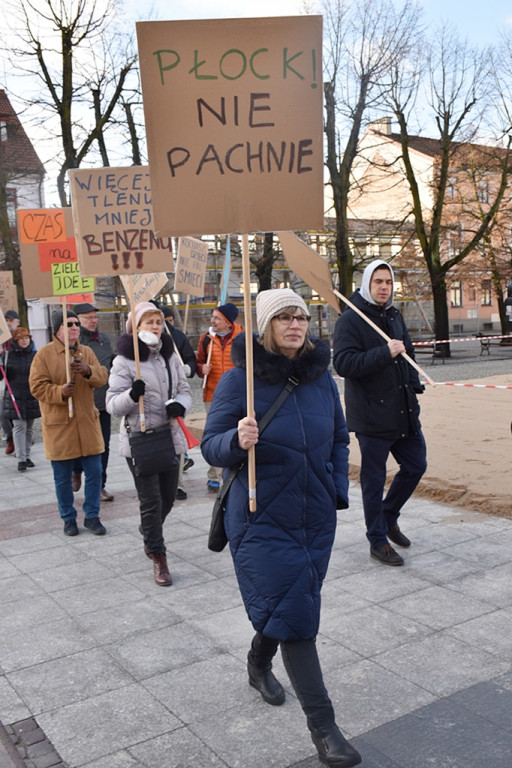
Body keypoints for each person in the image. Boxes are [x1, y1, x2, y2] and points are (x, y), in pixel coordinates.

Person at [201, 288, 361, 768]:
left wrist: (336, 488)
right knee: (296, 617)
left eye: (301, 317)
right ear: (266, 325)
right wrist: (237, 439)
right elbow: (210, 446)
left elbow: (337, 436)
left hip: (314, 516)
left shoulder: (320, 380)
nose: (295, 325)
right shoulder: (240, 381)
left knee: (290, 605)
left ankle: (257, 662)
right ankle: (325, 729)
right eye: (284, 318)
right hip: (259, 517)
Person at [332, 259, 427, 567]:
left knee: (415, 465)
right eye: (378, 282)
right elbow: (344, 364)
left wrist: (414, 384)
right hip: (372, 415)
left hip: (403, 411)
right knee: (373, 480)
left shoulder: (394, 315)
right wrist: (384, 353)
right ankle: (377, 540)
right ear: (367, 285)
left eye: (388, 282)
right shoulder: (351, 320)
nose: (384, 287)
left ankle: (388, 516)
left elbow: (407, 352)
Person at [106, 302, 192, 587]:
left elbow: (184, 390)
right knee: (151, 500)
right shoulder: (123, 361)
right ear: (136, 328)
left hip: (169, 437)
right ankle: (158, 555)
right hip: (140, 440)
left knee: (167, 497)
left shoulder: (171, 357)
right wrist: (132, 394)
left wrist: (179, 406)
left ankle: (148, 529)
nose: (155, 326)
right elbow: (113, 406)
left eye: (158, 321)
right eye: (148, 322)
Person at [29, 309, 108, 537]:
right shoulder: (44, 355)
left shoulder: (87, 352)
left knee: (95, 472)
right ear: (57, 329)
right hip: (59, 426)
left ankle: (92, 516)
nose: (75, 327)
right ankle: (68, 518)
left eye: (76, 324)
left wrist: (88, 370)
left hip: (86, 423)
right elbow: (36, 386)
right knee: (62, 478)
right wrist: (59, 391)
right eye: (69, 324)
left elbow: (102, 376)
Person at [196, 302, 243, 492]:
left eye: (216, 318)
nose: (212, 321)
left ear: (227, 321)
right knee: (215, 434)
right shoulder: (206, 338)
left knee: (237, 432)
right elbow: (198, 361)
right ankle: (214, 476)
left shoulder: (243, 337)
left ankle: (235, 469)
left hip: (238, 393)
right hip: (213, 393)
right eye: (212, 317)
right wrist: (201, 369)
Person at [71, 302, 115, 502]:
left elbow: (110, 366)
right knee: (80, 445)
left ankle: (100, 486)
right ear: (77, 320)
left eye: (95, 317)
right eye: (87, 317)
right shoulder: (72, 342)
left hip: (103, 404)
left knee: (103, 446)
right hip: (80, 405)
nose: (93, 321)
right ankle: (76, 469)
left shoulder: (104, 340)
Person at [160, 304, 197, 497]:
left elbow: (191, 360)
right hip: (154, 403)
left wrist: (187, 370)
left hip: (176, 398)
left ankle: (178, 484)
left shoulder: (178, 337)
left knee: (178, 441)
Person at [0, 327, 40, 471]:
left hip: (31, 394)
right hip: (14, 396)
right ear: (15, 340)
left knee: (29, 427)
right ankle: (21, 459)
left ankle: (27, 456)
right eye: (21, 338)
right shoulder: (7, 355)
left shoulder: (36, 355)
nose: (24, 340)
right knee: (19, 426)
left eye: (27, 337)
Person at [1, 309, 20, 454]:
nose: (8, 323)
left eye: (11, 320)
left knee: (21, 417)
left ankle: (21, 444)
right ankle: (10, 437)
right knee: (3, 412)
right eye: (6, 320)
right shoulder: (2, 340)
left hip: (20, 381)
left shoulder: (21, 337)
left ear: (17, 322)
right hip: (6, 381)